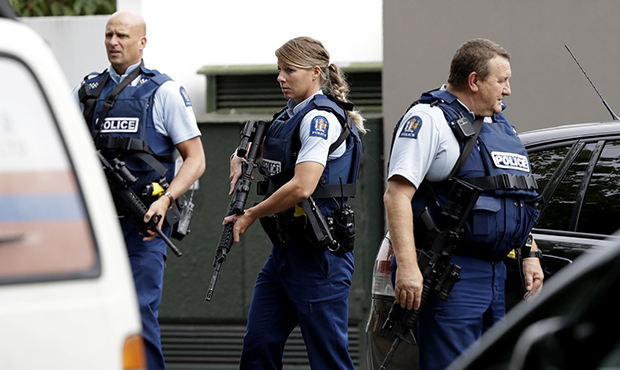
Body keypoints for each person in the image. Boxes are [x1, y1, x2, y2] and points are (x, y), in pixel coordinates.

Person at [384, 38, 544, 370]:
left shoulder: (500, 127)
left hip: (496, 274)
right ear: (474, 81)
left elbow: (513, 199)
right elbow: (396, 195)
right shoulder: (429, 120)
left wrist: (530, 252)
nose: (508, 90)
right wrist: (409, 268)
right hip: (451, 275)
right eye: (502, 81)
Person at [72, 11, 205, 370]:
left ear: (142, 42)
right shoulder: (86, 92)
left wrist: (166, 198)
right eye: (109, 34)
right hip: (96, 225)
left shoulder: (163, 91)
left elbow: (195, 160)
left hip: (144, 224)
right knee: (91, 315)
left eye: (123, 36)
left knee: (138, 314)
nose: (113, 42)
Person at [223, 36, 365, 370]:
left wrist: (251, 214)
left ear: (315, 72)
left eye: (289, 70)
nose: (280, 78)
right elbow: (259, 148)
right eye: (279, 70)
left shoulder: (321, 120)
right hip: (283, 257)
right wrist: (237, 156)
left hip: (320, 260)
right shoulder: (288, 117)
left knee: (328, 360)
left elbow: (303, 186)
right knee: (257, 350)